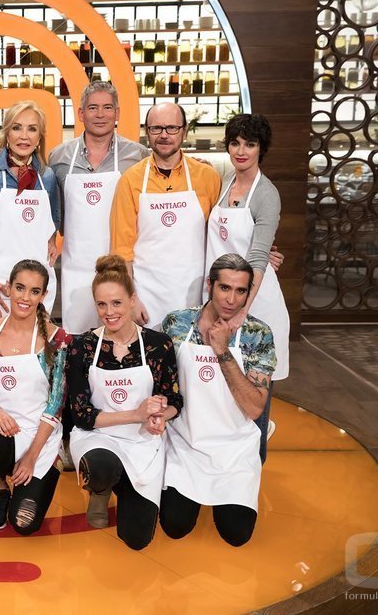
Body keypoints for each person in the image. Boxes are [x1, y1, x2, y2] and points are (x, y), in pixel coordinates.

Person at [65, 255, 181, 549]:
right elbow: (82, 415)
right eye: (102, 304)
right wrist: (137, 414)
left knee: (137, 539)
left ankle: (121, 483)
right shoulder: (82, 347)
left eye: (116, 303)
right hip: (97, 438)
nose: (109, 312)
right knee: (101, 467)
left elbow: (174, 398)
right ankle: (101, 487)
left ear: (133, 300)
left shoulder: (158, 345)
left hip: (142, 443)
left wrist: (160, 416)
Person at [160, 253, 276, 546]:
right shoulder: (176, 324)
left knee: (236, 534)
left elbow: (254, 408)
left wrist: (222, 350)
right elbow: (161, 383)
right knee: (174, 526)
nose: (231, 300)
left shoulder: (258, 334)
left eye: (240, 291)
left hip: (234, 448)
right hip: (185, 443)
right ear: (209, 285)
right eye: (224, 288)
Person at [204, 114, 288, 462]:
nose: (241, 151)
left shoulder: (266, 194)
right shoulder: (224, 182)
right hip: (226, 300)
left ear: (260, 149)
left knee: (254, 399)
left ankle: (254, 468)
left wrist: (242, 312)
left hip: (255, 304)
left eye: (250, 144)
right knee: (227, 392)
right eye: (235, 143)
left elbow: (256, 258)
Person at [0, 260, 71, 535]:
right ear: (9, 288)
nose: (25, 297)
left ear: (44, 295)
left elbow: (55, 405)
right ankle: (0, 487)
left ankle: (48, 465)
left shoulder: (58, 340)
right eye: (19, 288)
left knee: (24, 524)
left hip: (42, 437)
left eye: (34, 291)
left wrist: (30, 457)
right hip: (3, 431)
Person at [109, 102, 222, 330]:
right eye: (156, 128)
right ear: (146, 132)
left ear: (184, 131)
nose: (164, 135)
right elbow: (122, 250)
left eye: (172, 128)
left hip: (195, 296)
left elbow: (222, 233)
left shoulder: (208, 177)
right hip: (146, 297)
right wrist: (131, 299)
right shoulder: (130, 180)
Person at [49, 81, 148, 336]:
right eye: (93, 108)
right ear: (81, 113)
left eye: (107, 107)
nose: (100, 114)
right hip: (76, 267)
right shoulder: (58, 157)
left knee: (122, 338)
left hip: (123, 265)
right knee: (79, 340)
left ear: (117, 113)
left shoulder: (139, 156)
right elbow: (52, 210)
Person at [0, 102, 60, 320]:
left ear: (39, 137)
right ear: (7, 134)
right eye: (17, 128)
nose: (24, 136)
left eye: (32, 129)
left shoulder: (47, 178)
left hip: (39, 283)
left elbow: (53, 218)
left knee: (36, 339)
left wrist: (51, 239)